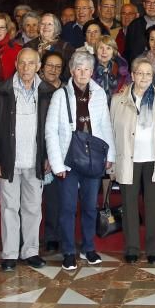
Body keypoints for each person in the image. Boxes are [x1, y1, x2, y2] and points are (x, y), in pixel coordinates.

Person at [0, 48, 53, 271]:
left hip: (36, 161)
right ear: (16, 64)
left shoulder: (49, 92)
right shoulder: (0, 91)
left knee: (33, 208)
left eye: (31, 63)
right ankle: (10, 253)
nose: (26, 68)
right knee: (9, 207)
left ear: (38, 66)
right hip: (9, 162)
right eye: (22, 63)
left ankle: (31, 251)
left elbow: (56, 130)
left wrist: (50, 157)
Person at [46, 51, 115, 270]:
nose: (83, 73)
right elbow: (51, 131)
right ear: (72, 71)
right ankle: (68, 251)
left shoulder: (100, 94)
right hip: (68, 159)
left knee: (89, 207)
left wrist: (109, 156)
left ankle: (88, 247)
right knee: (67, 207)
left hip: (93, 157)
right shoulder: (61, 95)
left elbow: (105, 126)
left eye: (87, 69)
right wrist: (57, 164)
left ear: (92, 71)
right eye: (78, 68)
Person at [110, 56, 155, 264]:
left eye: (148, 73)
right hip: (128, 158)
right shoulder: (118, 99)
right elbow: (111, 132)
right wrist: (110, 160)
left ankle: (154, 249)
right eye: (140, 73)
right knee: (129, 206)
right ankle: (132, 248)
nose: (144, 77)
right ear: (133, 75)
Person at [38, 50, 66, 254]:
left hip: (60, 151)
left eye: (57, 67)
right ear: (42, 66)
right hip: (36, 149)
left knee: (56, 198)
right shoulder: (35, 89)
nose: (53, 70)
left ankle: (53, 236)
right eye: (50, 66)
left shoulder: (67, 91)